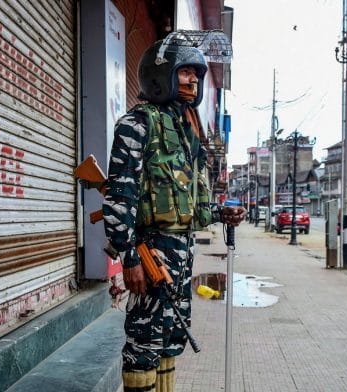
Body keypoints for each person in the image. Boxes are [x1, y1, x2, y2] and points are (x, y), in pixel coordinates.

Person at [102, 38, 246, 392]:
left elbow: (189, 203)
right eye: (184, 72)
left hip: (182, 253)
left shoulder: (186, 132)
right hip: (151, 251)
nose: (193, 80)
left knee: (170, 339)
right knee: (143, 344)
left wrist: (219, 213)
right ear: (160, 75)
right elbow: (120, 195)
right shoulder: (136, 124)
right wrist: (130, 255)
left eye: (196, 74)